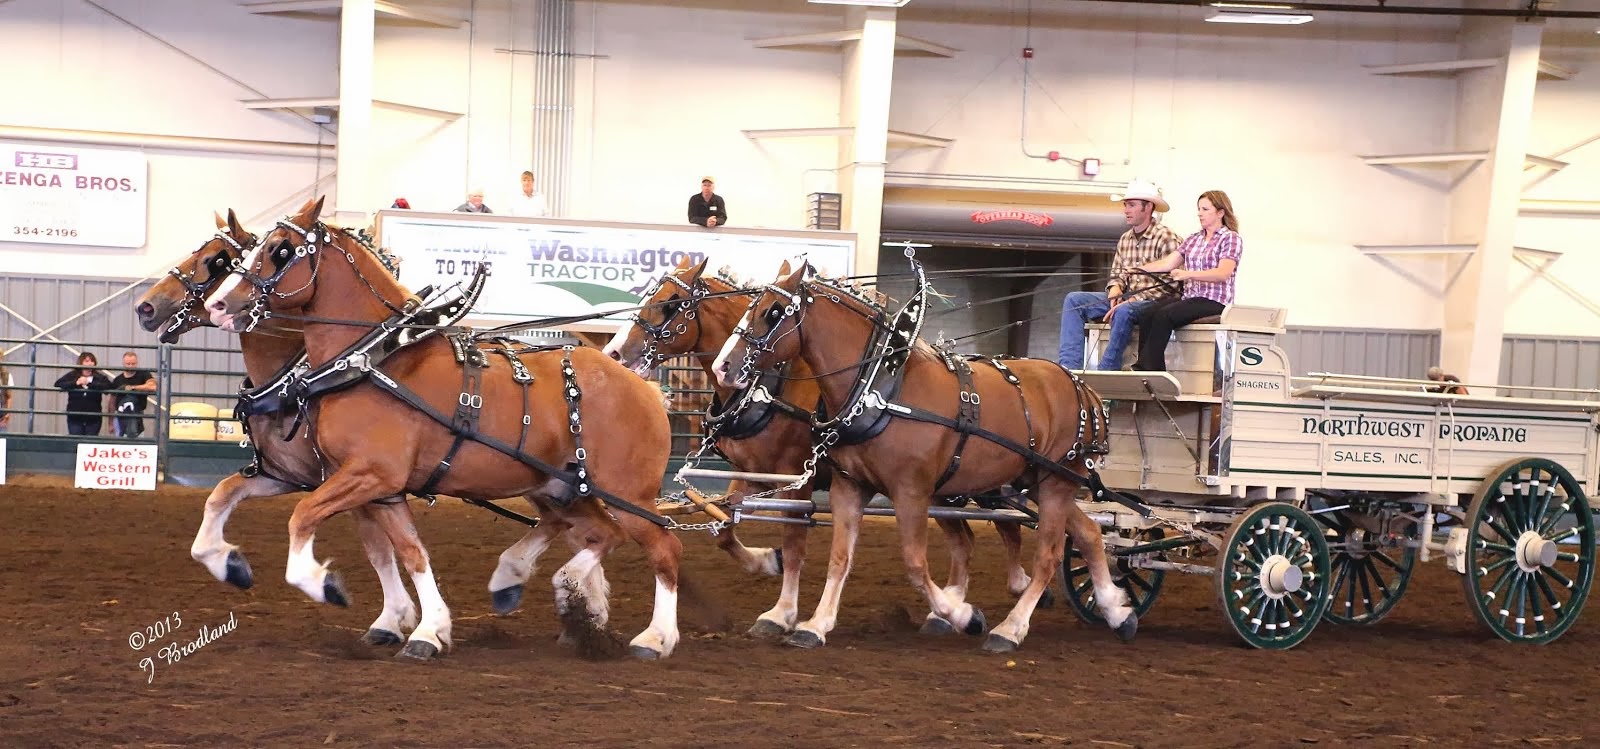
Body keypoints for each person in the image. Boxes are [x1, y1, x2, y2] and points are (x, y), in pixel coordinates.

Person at [1057, 178, 1182, 371]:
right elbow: (1118, 273)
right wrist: (1115, 288)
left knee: (1123, 311)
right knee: (1074, 300)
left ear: (1148, 207)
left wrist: (1131, 300)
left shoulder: (1166, 237)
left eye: (1131, 205)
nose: (1126, 210)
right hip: (1127, 298)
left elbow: (1171, 286)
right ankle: (1068, 367)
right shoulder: (1125, 239)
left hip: (1153, 303)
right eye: (1125, 205)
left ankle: (1108, 367)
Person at [1131, 190, 1244, 372]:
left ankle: (1153, 370)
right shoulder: (1194, 239)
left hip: (1215, 301)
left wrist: (1189, 274)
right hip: (1191, 299)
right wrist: (1139, 269)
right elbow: (1169, 262)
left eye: (1205, 209)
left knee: (1164, 315)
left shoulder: (1230, 238)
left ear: (1220, 213)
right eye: (1199, 209)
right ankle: (1143, 365)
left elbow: (1223, 273)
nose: (1199, 213)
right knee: (1147, 313)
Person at [54, 352, 112, 436]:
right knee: (75, 441)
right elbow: (58, 384)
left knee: (90, 443)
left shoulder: (99, 377)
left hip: (93, 417)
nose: (90, 363)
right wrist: (76, 383)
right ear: (81, 362)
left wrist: (89, 383)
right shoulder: (73, 375)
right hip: (75, 417)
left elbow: (108, 386)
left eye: (92, 361)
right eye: (87, 361)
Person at [108, 351, 157, 438]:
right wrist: (110, 422)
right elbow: (112, 401)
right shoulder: (117, 380)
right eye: (128, 364)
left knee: (137, 440)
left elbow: (153, 386)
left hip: (137, 414)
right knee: (120, 443)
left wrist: (132, 388)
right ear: (123, 363)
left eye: (133, 363)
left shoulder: (144, 375)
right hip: (120, 415)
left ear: (137, 363)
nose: (130, 366)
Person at [0, 358, 13, 432]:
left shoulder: (6, 375)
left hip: (1, 416)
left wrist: (7, 413)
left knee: (1, 440)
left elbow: (9, 396)